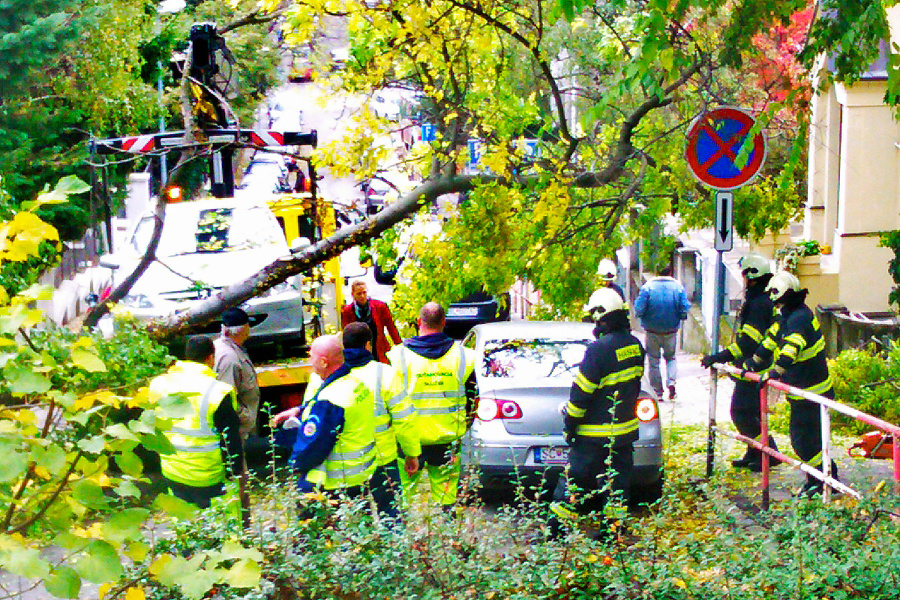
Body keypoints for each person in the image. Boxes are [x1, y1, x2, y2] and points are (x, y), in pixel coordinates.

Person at [549, 288, 644, 540]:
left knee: (572, 485)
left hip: (592, 437)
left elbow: (580, 395)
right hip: (623, 436)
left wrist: (570, 426)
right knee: (616, 487)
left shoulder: (598, 350)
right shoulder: (635, 346)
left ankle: (556, 533)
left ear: (601, 317)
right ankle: (613, 535)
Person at [743, 271, 839, 496]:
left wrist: (773, 372)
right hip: (806, 392)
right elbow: (770, 341)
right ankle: (820, 479)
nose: (773, 303)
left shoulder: (798, 319)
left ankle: (826, 479)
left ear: (781, 296)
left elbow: (790, 349)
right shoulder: (790, 315)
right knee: (808, 440)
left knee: (803, 441)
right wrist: (752, 363)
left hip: (812, 393)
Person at [386, 302, 477, 511]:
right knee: (447, 500)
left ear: (419, 322)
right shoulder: (464, 355)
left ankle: (403, 541)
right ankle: (446, 539)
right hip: (448, 439)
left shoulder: (399, 356)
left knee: (401, 500)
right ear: (444, 323)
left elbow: (390, 399)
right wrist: (463, 425)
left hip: (409, 441)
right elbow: (473, 397)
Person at [701, 254, 781, 471]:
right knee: (750, 413)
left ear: (752, 277)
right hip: (755, 367)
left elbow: (747, 344)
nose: (743, 280)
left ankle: (768, 452)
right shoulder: (761, 301)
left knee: (741, 412)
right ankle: (754, 452)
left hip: (754, 369)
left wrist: (718, 357)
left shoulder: (757, 305)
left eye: (745, 275)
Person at [148, 336, 244, 508]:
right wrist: (234, 473)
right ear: (210, 358)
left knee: (184, 523)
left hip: (173, 471)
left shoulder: (158, 385)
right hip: (209, 476)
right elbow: (230, 439)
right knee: (221, 526)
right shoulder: (217, 391)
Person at [275, 335, 377, 497]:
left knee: (312, 521)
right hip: (360, 476)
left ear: (324, 362)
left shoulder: (331, 400)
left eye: (312, 356)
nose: (310, 359)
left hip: (332, 483)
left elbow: (313, 447)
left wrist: (294, 463)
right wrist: (301, 410)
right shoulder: (355, 383)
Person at [342, 322, 420, 521]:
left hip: (346, 462)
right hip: (382, 460)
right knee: (391, 514)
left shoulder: (330, 375)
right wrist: (411, 454)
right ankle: (395, 550)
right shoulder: (385, 373)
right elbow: (404, 420)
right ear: (368, 345)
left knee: (355, 519)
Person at [634, 265, 691, 400]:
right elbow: (684, 309)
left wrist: (643, 317)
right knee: (671, 358)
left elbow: (639, 309)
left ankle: (657, 391)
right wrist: (680, 317)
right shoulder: (678, 287)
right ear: (671, 272)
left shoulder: (647, 287)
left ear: (656, 273)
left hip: (652, 330)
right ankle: (671, 383)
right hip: (671, 330)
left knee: (653, 361)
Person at [213, 307, 260, 440]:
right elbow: (227, 397)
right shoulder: (229, 358)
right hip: (234, 429)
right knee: (236, 461)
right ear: (243, 329)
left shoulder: (222, 346)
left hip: (235, 426)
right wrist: (246, 417)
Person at [341, 281, 403, 364]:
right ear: (353, 295)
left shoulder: (380, 306)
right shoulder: (348, 311)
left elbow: (391, 328)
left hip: (379, 350)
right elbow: (346, 334)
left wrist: (400, 347)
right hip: (359, 353)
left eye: (364, 292)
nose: (362, 296)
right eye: (359, 294)